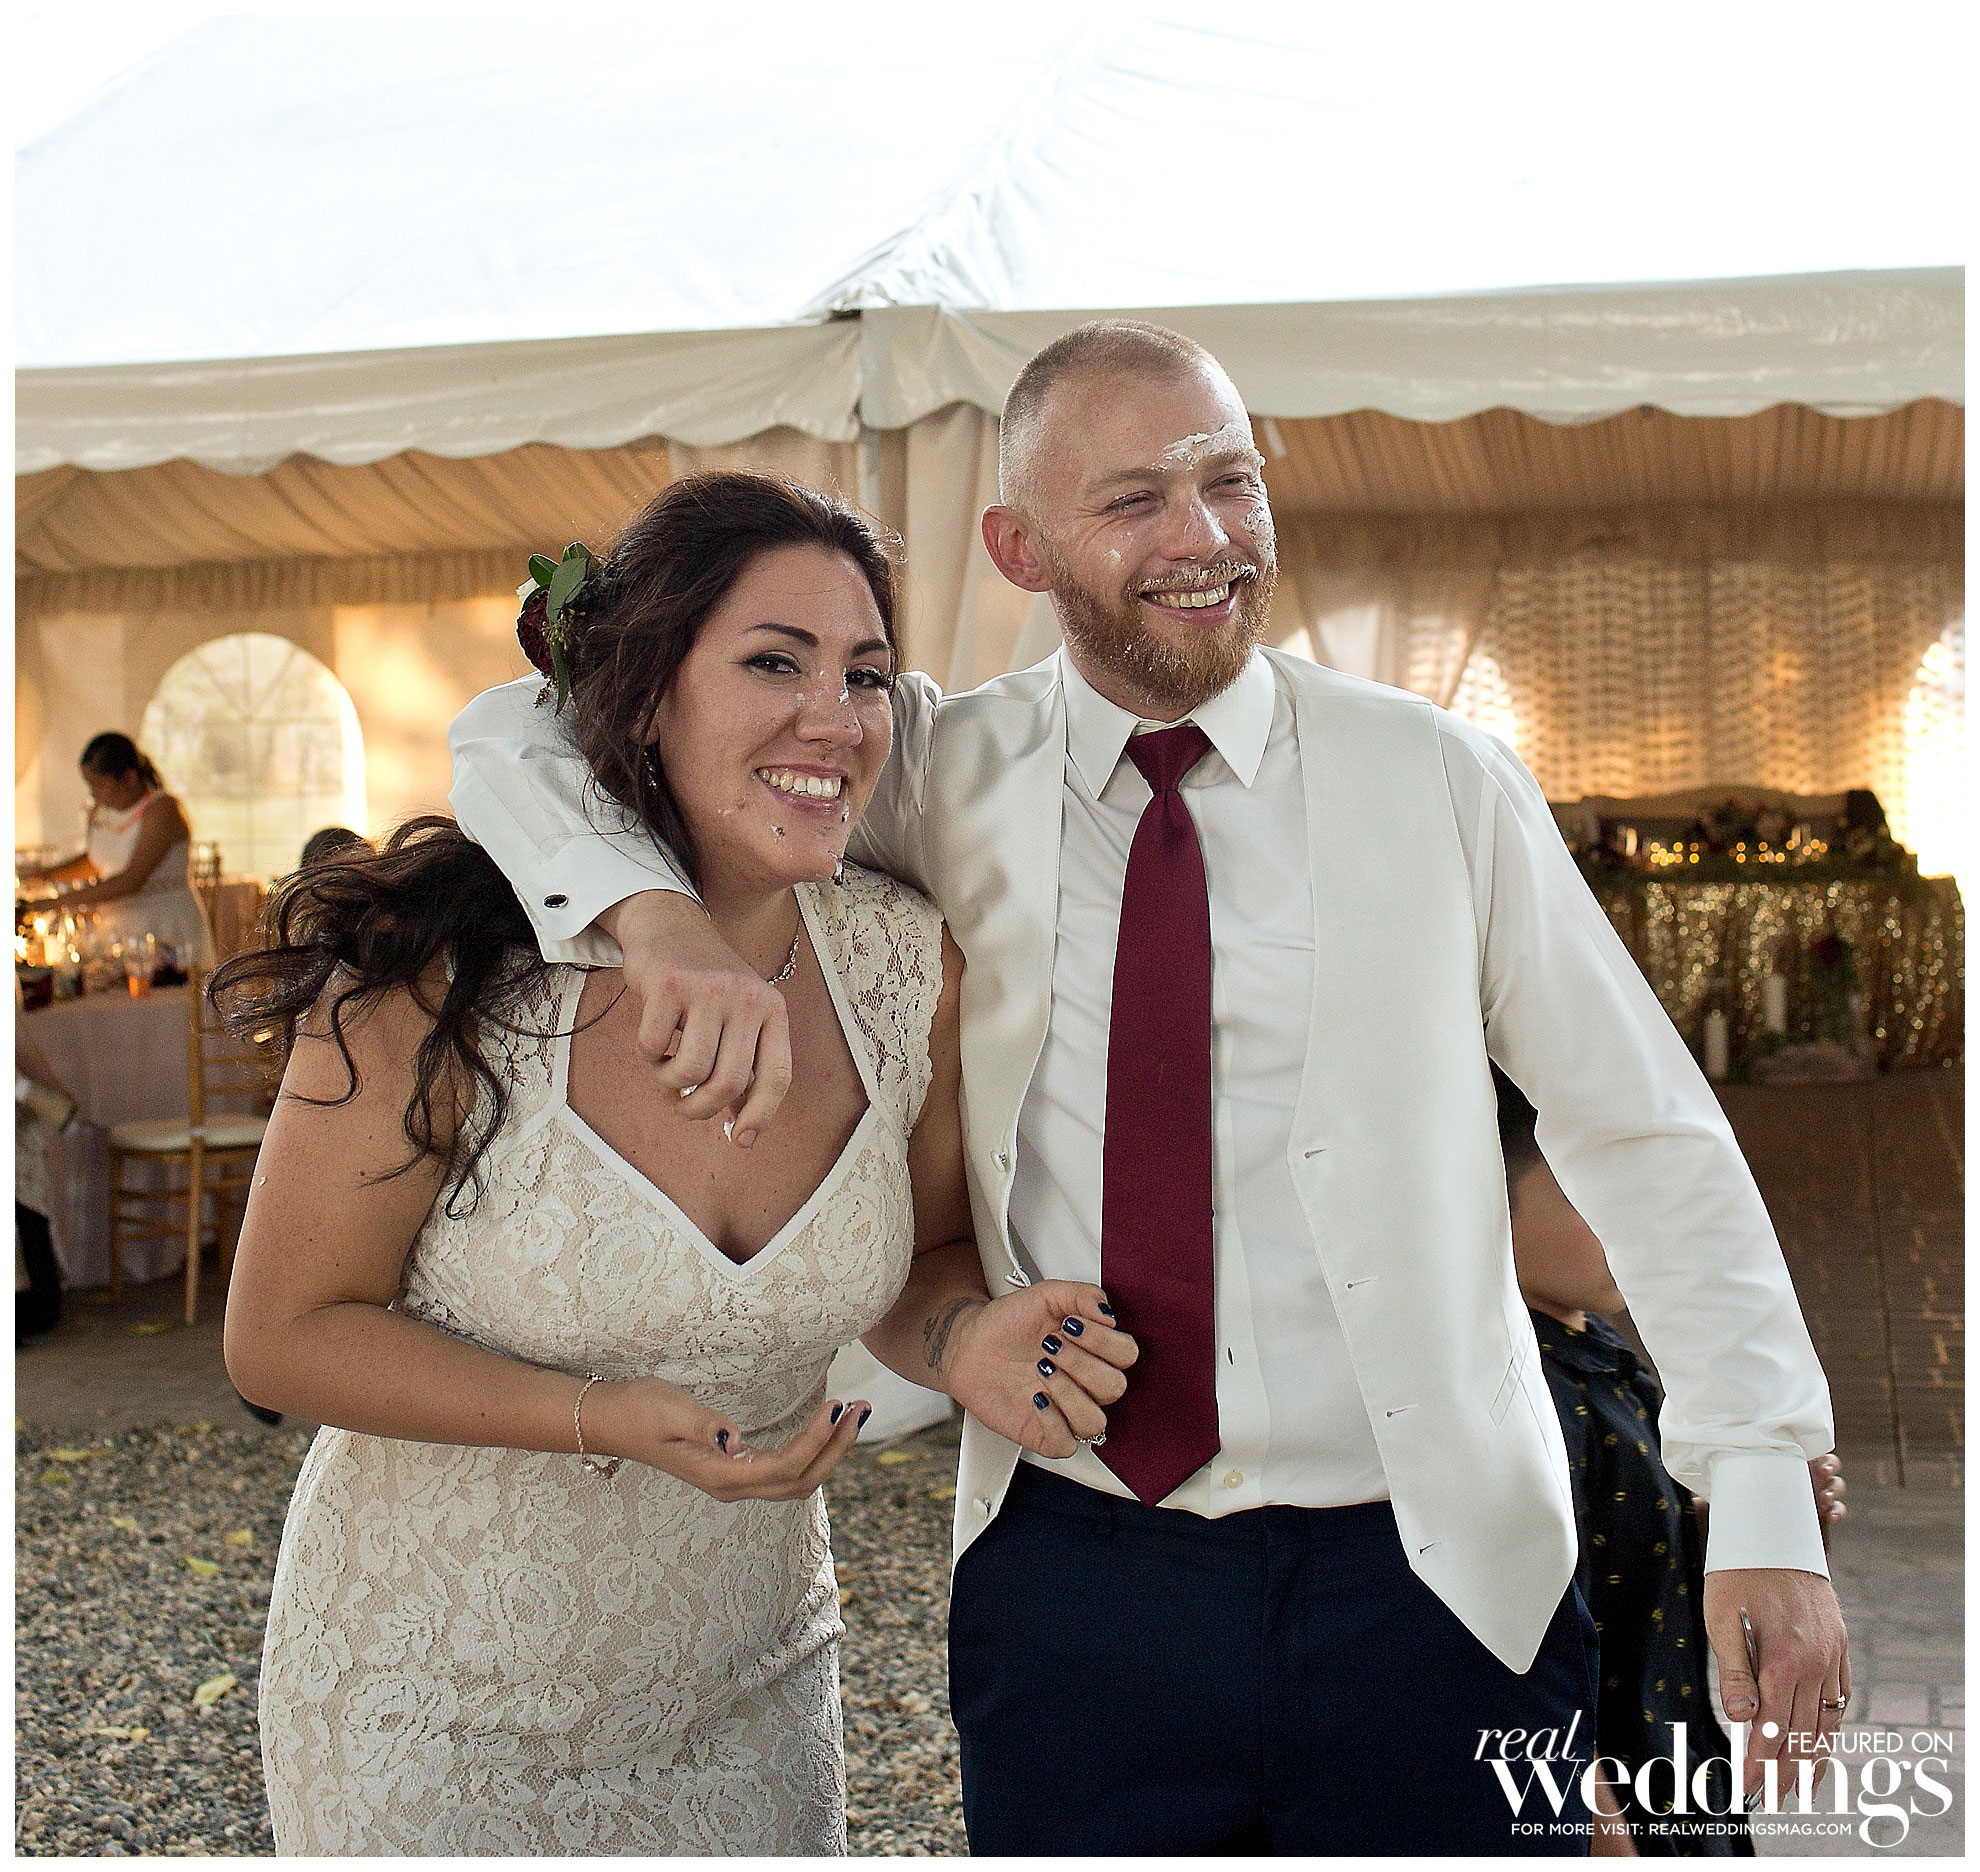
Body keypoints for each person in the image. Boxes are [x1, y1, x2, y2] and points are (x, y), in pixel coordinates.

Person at [447, 322, 1849, 1855]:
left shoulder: (1438, 777)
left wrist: (1760, 1493)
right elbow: (529, 723)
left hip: (1440, 1584)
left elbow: (1643, 1130)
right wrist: (650, 919)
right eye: (1133, 501)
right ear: (1019, 547)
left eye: (1231, 482)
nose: (1204, 538)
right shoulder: (932, 770)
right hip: (1077, 1579)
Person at [215, 473, 1134, 1855]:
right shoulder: (440, 978)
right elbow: (280, 1337)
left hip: (747, 1691)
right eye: (774, 662)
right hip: (429, 1704)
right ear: (644, 695)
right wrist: (594, 1417)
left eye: (866, 675)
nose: (835, 717)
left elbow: (927, 1261)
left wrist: (967, 1339)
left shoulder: (908, 970)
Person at [1497, 1067, 1847, 1856]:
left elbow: (1624, 1547)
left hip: (1673, 1763)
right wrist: (1605, 1842)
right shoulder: (1528, 1394)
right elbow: (1532, 1656)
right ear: (1482, 1202)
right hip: (1607, 1800)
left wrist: (1745, 1535)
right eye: (1587, 1195)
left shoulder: (1595, 1344)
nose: (1631, 1222)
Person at [18, 732, 216, 969]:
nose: (94, 793)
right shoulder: (99, 812)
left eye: (100, 785)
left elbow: (132, 880)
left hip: (163, 923)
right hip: (115, 927)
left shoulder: (162, 809)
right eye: (90, 785)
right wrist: (43, 875)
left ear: (129, 778)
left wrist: (53, 903)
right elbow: (96, 860)